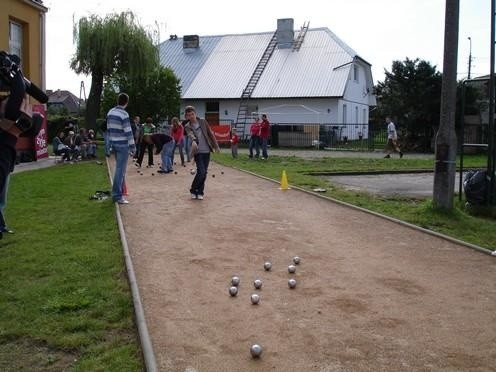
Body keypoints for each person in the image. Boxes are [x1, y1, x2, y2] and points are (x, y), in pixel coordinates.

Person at [183, 105, 220, 200]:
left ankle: (200, 192)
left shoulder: (203, 121)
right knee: (201, 171)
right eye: (189, 115)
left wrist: (216, 146)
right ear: (186, 117)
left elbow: (210, 134)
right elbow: (190, 135)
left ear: (195, 114)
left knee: (204, 172)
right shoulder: (187, 126)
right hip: (198, 152)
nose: (191, 116)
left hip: (206, 151)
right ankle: (193, 189)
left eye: (192, 114)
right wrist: (194, 140)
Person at [107, 92, 135, 204]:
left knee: (119, 170)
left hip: (114, 144)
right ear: (126, 102)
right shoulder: (124, 114)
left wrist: (109, 145)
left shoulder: (110, 112)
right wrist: (133, 146)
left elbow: (108, 130)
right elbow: (128, 131)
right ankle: (117, 196)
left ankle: (121, 193)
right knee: (120, 171)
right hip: (123, 145)